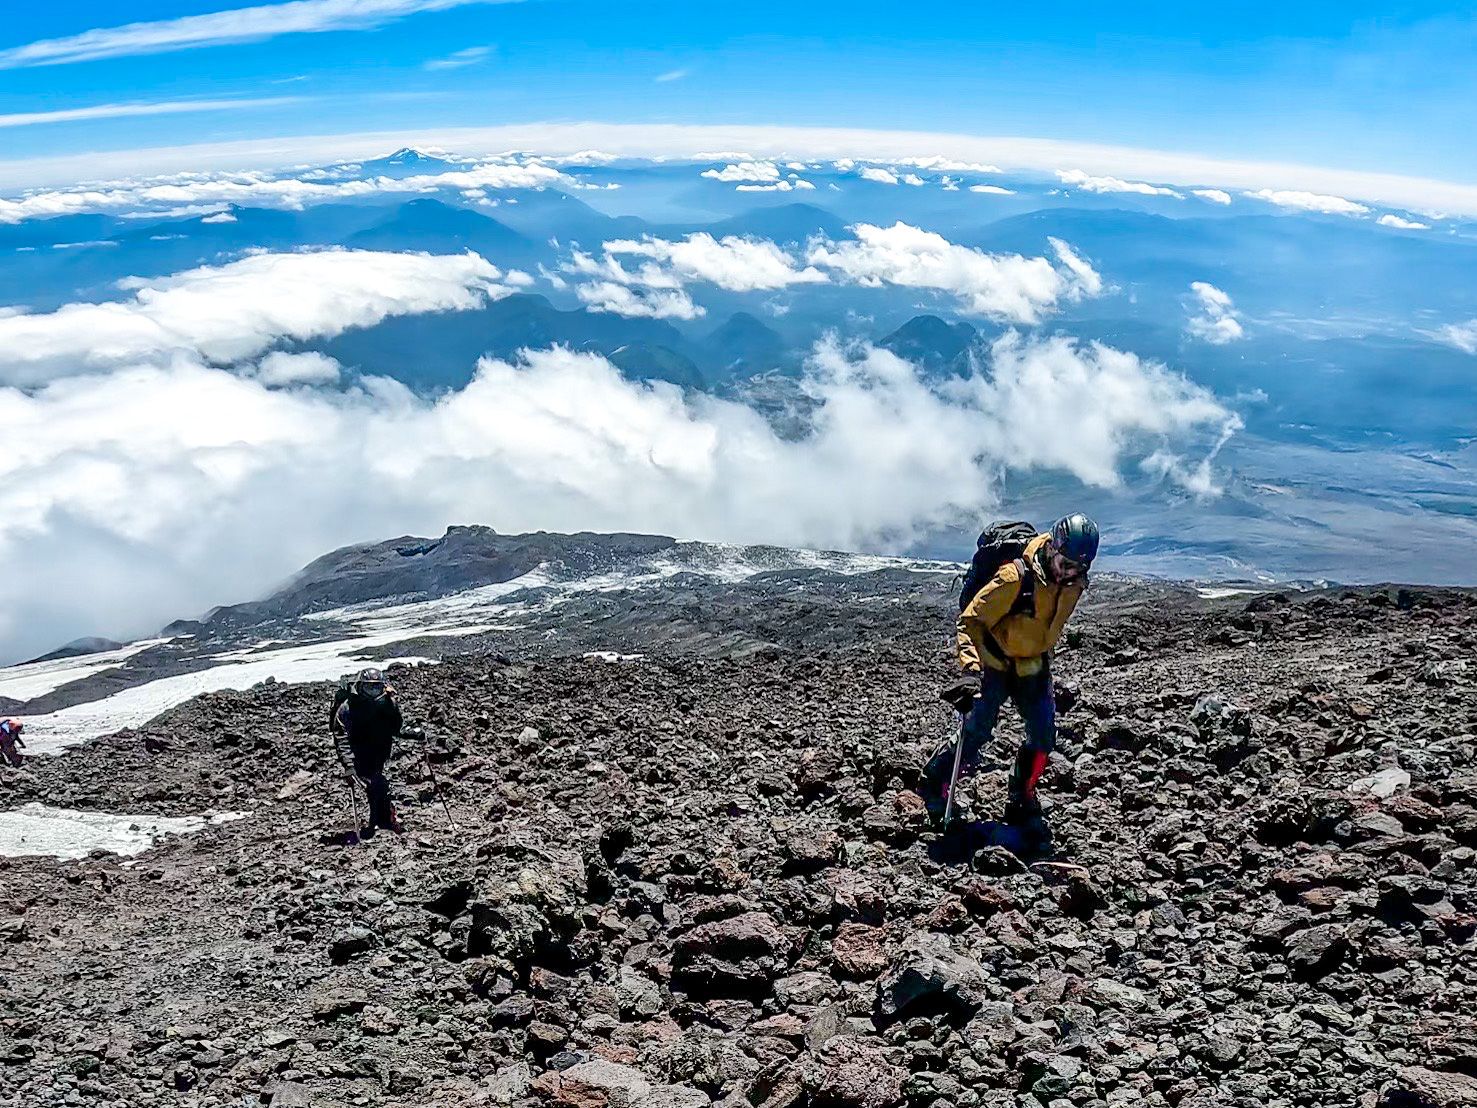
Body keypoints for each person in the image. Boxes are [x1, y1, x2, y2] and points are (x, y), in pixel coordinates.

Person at [920, 513, 1100, 843]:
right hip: (995, 662)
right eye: (1065, 564)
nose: (1068, 573)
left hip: (1032, 664)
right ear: (1052, 548)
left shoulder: (1074, 582)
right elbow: (970, 621)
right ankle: (935, 783)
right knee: (977, 730)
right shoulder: (1015, 577)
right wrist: (971, 670)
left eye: (1077, 568)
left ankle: (1021, 797)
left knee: (1043, 736)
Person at [330, 668, 404, 836]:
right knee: (376, 784)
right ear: (360, 687)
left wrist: (392, 703)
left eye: (376, 687)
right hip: (358, 753)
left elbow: (396, 726)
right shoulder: (348, 707)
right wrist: (348, 764)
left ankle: (381, 820)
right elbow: (341, 737)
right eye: (369, 687)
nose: (373, 692)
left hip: (379, 751)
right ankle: (380, 821)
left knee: (376, 784)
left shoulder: (385, 702)